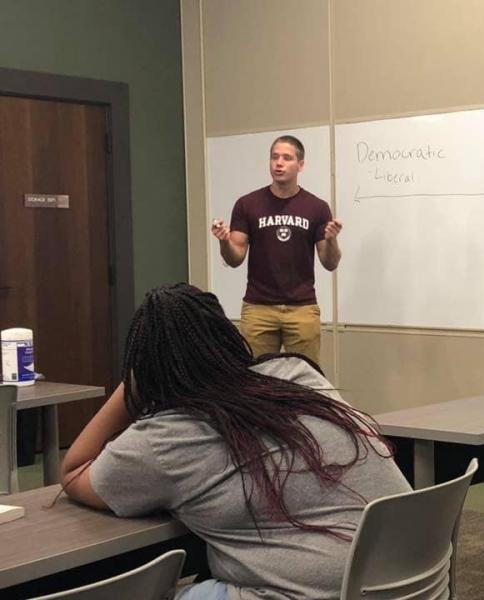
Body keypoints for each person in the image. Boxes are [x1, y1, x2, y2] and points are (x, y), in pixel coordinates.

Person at [60, 283, 410, 600]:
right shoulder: (297, 374)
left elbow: (74, 469)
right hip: (407, 578)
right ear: (227, 336)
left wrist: (131, 388)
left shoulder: (164, 439)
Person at [211, 135, 341, 366]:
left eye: (287, 158)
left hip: (302, 308)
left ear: (301, 165)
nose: (278, 163)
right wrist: (224, 241)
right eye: (274, 157)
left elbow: (329, 262)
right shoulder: (247, 204)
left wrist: (331, 241)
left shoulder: (317, 208)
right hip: (258, 308)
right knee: (256, 380)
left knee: (305, 381)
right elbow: (235, 257)